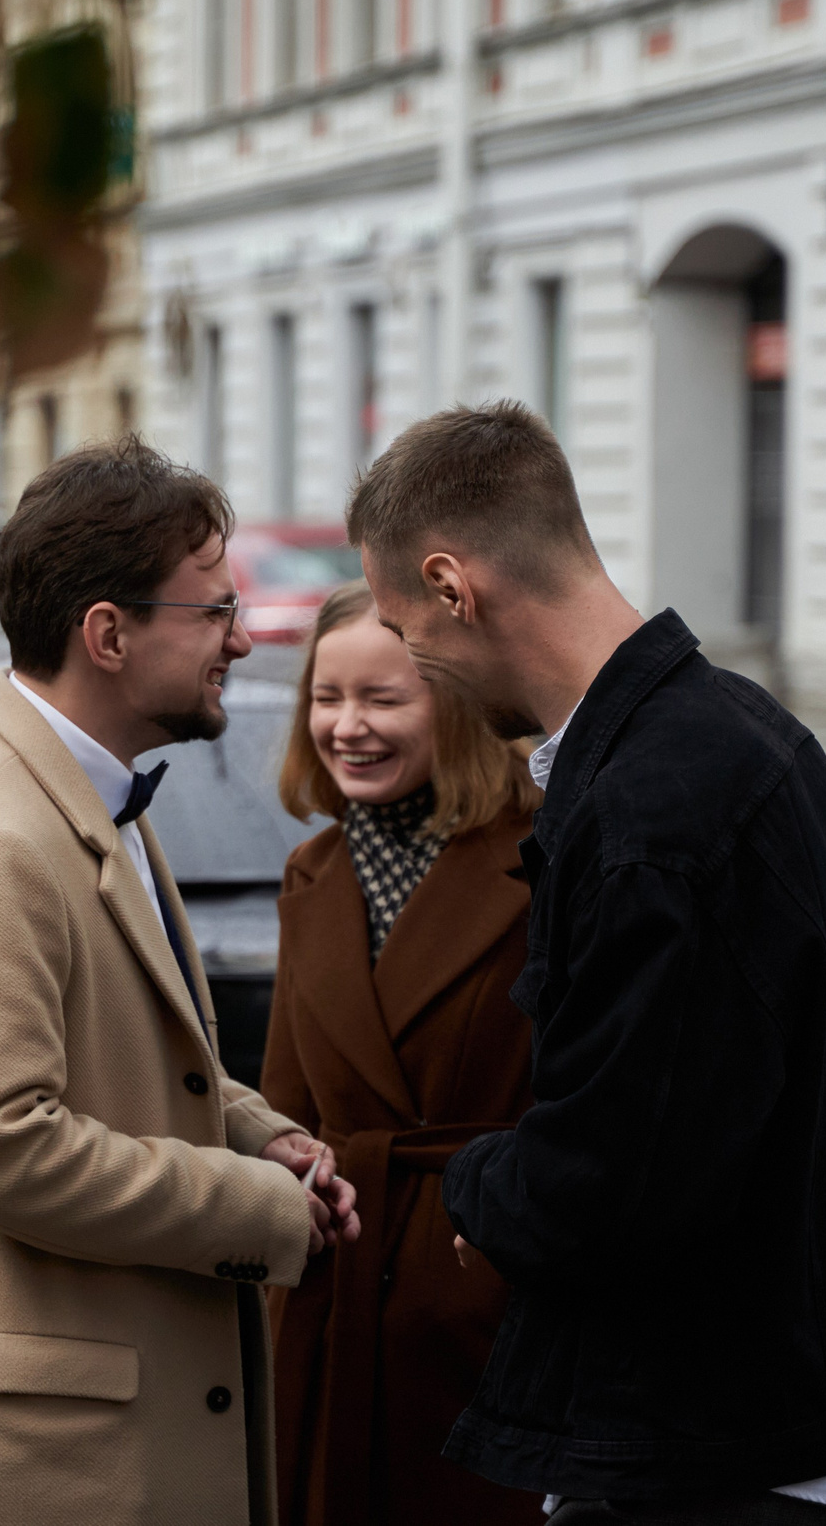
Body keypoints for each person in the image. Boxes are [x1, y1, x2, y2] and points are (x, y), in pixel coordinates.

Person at [345, 403, 826, 1525]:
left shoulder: (648, 810)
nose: (422, 666)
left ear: (453, 585)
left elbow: (611, 1181)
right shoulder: (739, 726)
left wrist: (480, 1189)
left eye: (407, 635)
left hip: (724, 1452)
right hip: (801, 1415)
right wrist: (799, 1164)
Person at [0, 437, 361, 1526]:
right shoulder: (1, 836)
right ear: (107, 634)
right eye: (213, 613)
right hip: (56, 1468)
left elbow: (127, 1062)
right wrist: (254, 1207)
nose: (241, 637)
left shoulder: (81, 793)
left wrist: (255, 1131)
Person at [260, 581, 548, 1526]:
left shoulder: (544, 857)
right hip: (336, 1302)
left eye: (383, 698)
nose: (348, 727)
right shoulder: (315, 873)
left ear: (455, 701)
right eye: (326, 697)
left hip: (487, 1308)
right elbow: (286, 1108)